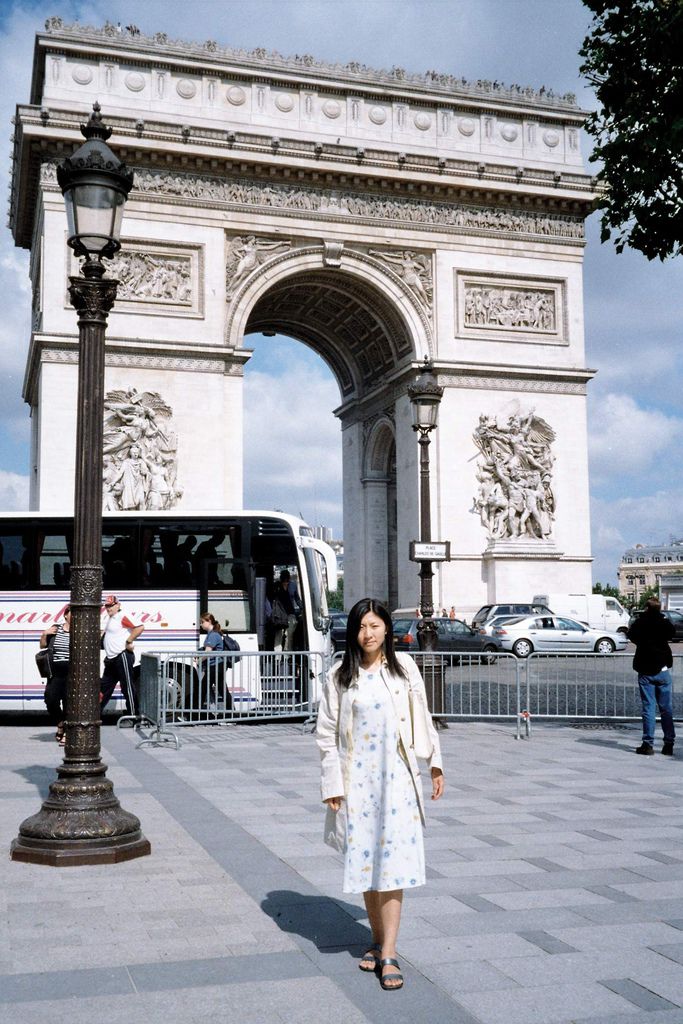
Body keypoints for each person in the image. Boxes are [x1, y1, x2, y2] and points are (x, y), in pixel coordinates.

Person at [316, 598, 444, 991]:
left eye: (374, 625)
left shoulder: (403, 668)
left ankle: (388, 950)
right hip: (357, 784)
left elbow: (422, 715)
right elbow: (326, 734)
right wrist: (332, 785)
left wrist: (434, 762)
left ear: (387, 628)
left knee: (394, 866)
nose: (367, 634)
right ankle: (375, 938)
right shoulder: (340, 674)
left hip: (397, 782)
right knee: (368, 866)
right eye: (360, 627)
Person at [627, 597, 676, 756]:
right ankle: (669, 743)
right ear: (659, 608)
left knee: (648, 707)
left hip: (645, 668)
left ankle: (648, 744)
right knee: (666, 708)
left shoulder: (641, 623)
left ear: (646, 608)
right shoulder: (663, 621)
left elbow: (631, 635)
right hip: (662, 669)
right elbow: (672, 632)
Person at [100, 595, 145, 714]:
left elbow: (139, 627)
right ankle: (95, 713)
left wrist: (129, 641)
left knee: (127, 686)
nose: (108, 608)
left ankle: (133, 715)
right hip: (111, 658)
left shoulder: (122, 615)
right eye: (107, 606)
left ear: (118, 605)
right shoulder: (111, 617)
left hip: (121, 656)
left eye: (111, 605)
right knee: (104, 687)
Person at [40, 605, 71, 745]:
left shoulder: (79, 631)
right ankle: (60, 724)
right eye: (72, 613)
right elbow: (42, 646)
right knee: (51, 699)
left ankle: (66, 734)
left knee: (68, 702)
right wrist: (44, 634)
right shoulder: (56, 629)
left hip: (71, 671)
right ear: (65, 615)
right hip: (55, 671)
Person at [199, 612, 232, 711]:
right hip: (217, 666)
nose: (200, 624)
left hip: (215, 667)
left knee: (201, 689)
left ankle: (194, 715)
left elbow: (208, 652)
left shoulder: (213, 635)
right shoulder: (213, 634)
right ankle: (231, 714)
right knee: (222, 690)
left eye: (202, 622)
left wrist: (198, 661)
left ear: (209, 621)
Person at [272, 569, 301, 651]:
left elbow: (297, 599)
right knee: (279, 636)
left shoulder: (293, 585)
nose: (285, 582)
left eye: (287, 580)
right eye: (284, 580)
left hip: (290, 613)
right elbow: (272, 597)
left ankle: (286, 656)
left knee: (289, 635)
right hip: (280, 614)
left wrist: (302, 608)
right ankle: (278, 657)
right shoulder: (277, 586)